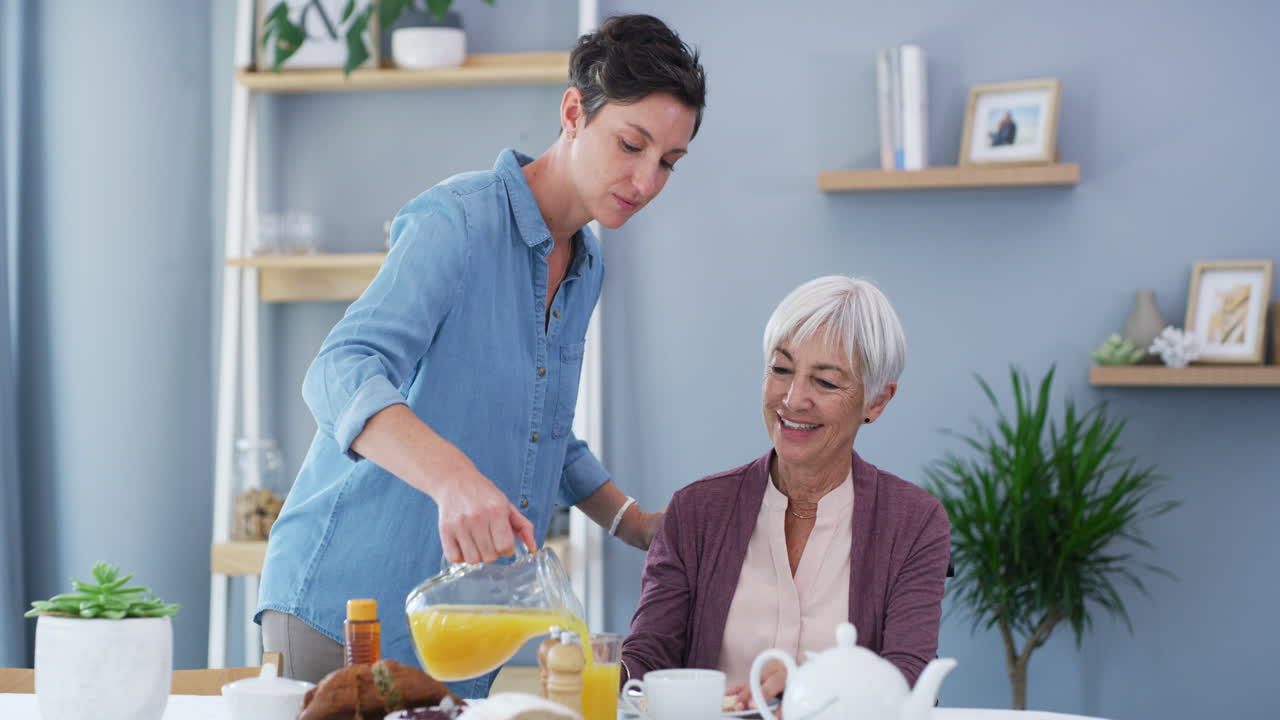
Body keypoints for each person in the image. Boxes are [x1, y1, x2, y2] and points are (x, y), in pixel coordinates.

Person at [256, 14, 707, 696]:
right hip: (343, 610)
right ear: (573, 112)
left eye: (667, 163)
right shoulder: (457, 223)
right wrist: (452, 478)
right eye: (632, 144)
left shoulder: (585, 266)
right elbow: (338, 369)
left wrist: (632, 521)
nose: (645, 181)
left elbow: (541, 424)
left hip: (457, 638)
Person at [621, 275, 950, 710]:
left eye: (826, 382)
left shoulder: (914, 522)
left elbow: (908, 677)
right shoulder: (696, 511)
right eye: (781, 370)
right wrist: (590, 670)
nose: (793, 400)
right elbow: (644, 662)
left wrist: (811, 693)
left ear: (876, 401)